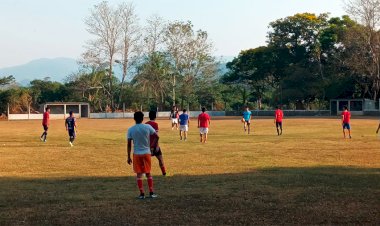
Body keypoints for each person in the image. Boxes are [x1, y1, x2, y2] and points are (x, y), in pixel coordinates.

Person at [127, 111, 159, 199]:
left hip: (137, 154)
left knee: (139, 174)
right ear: (142, 118)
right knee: (148, 173)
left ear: (134, 119)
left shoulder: (131, 129)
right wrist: (152, 146)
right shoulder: (147, 127)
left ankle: (142, 194)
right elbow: (156, 136)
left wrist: (128, 156)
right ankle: (151, 192)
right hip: (147, 153)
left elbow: (129, 144)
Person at [145, 111, 167, 176]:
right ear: (155, 117)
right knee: (160, 159)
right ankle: (164, 173)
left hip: (147, 146)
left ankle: (146, 174)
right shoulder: (155, 124)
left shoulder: (145, 124)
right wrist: (157, 146)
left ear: (149, 116)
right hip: (154, 145)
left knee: (146, 161)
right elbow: (156, 136)